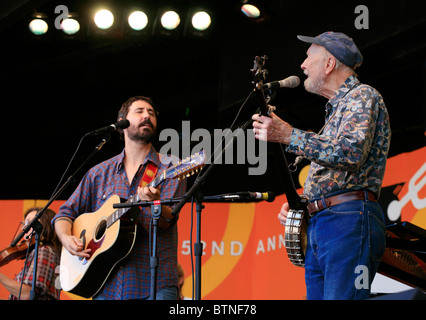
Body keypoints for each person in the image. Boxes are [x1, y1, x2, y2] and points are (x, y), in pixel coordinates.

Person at [252, 32, 391, 300]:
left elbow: (350, 153)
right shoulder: (337, 111)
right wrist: (303, 203)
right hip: (325, 223)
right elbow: (338, 174)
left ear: (329, 64)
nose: (302, 65)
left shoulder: (362, 96)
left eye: (308, 57)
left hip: (347, 219)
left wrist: (288, 135)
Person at [52, 96, 187, 300]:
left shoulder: (170, 167)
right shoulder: (99, 173)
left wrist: (153, 204)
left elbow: (166, 221)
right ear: (122, 123)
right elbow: (64, 213)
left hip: (154, 284)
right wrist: (66, 238)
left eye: (151, 113)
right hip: (106, 286)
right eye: (139, 111)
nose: (147, 116)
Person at [0, 207, 61, 300]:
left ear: (44, 225)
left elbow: (28, 294)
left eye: (29, 222)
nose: (24, 227)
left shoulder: (45, 251)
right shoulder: (37, 252)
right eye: (24, 224)